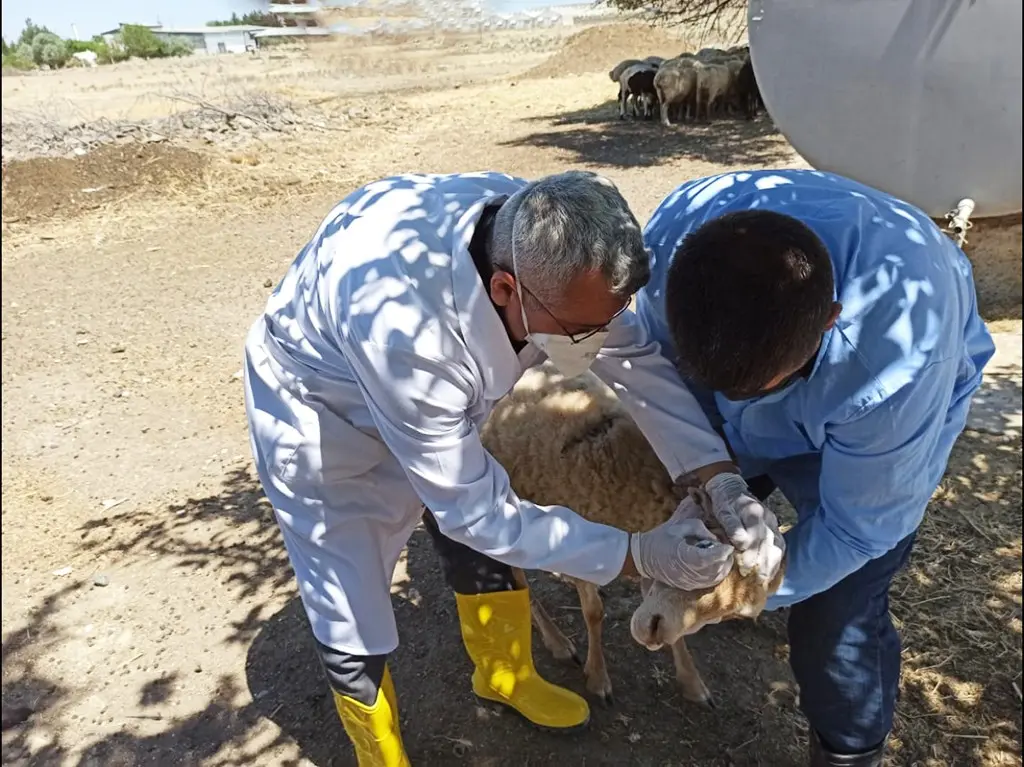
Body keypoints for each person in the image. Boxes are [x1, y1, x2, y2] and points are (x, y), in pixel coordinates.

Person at [242, 170, 785, 766]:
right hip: (328, 421)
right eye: (583, 329)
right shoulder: (410, 341)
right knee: (351, 607)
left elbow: (633, 355)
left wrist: (717, 476)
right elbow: (480, 514)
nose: (598, 339)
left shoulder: (550, 236)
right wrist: (639, 554)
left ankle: (504, 673)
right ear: (505, 289)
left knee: (469, 533)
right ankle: (383, 755)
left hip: (435, 400)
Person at [638, 169, 996, 767]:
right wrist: (709, 475)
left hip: (855, 420)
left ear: (829, 318)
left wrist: (729, 595)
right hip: (738, 398)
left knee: (835, 617)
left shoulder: (899, 361)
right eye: (716, 379)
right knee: (693, 531)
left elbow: (857, 529)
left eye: (756, 386)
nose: (738, 401)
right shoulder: (667, 248)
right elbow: (657, 378)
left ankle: (847, 752)